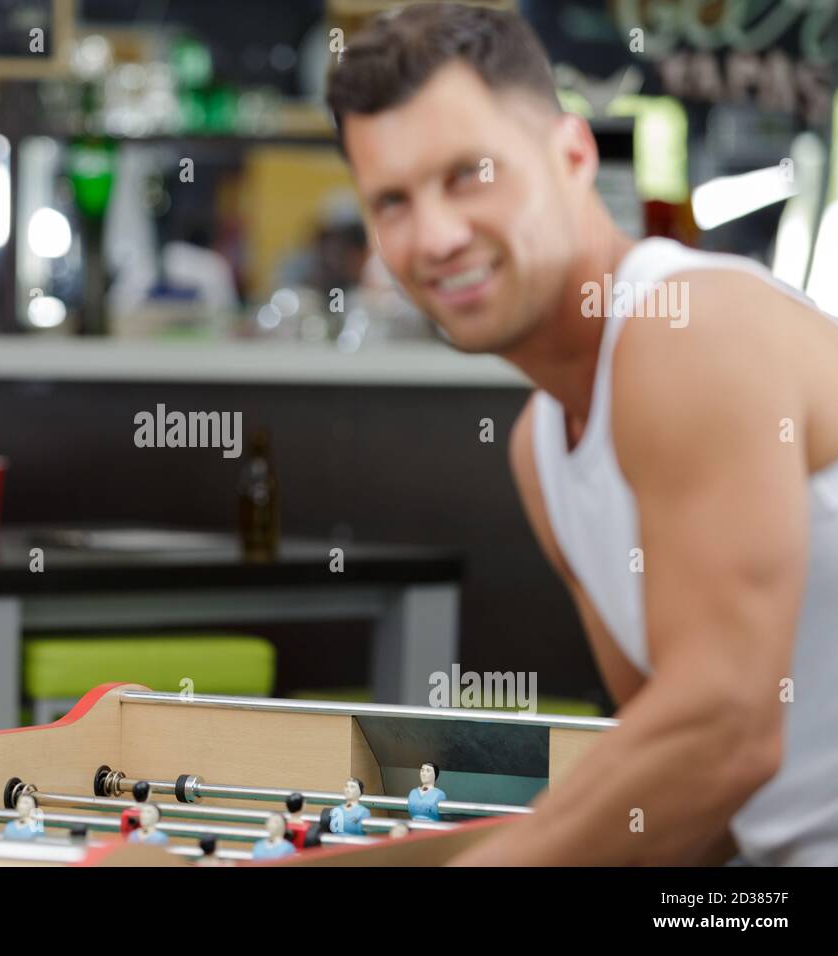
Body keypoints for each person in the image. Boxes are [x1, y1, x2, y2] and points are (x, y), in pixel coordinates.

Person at [327, 3, 838, 864]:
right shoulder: (543, 446)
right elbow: (682, 793)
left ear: (573, 156)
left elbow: (725, 734)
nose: (437, 237)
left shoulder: (686, 325)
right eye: (393, 201)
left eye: (468, 175)